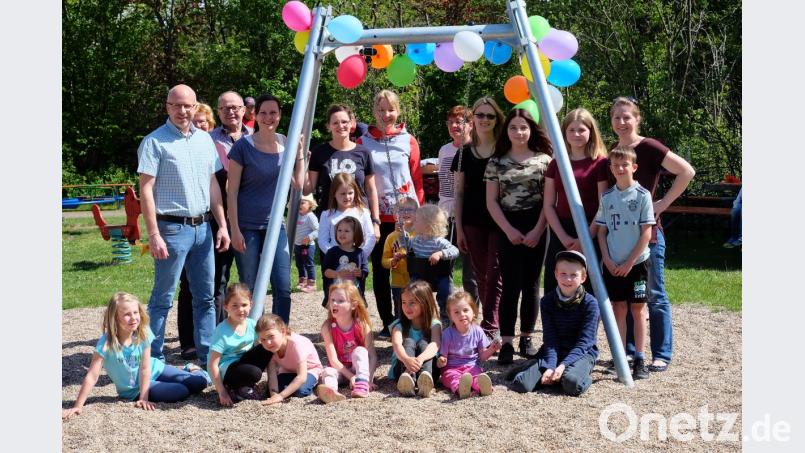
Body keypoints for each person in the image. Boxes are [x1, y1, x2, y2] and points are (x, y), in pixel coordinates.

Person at [138, 84, 230, 367]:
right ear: (167, 107)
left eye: (187, 105)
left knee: (206, 297)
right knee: (162, 298)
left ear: (195, 107)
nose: (182, 111)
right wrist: (153, 233)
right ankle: (152, 359)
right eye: (176, 105)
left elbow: (214, 185)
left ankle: (206, 357)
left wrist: (223, 225)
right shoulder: (154, 142)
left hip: (203, 228)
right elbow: (146, 190)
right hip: (171, 229)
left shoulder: (205, 140)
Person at [610, 96, 695, 372]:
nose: (622, 122)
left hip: (649, 236)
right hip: (620, 238)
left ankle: (662, 353)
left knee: (654, 295)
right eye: (617, 117)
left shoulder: (648, 147)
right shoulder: (614, 152)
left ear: (637, 119)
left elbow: (686, 171)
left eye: (627, 117)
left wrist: (662, 204)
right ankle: (633, 353)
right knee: (627, 298)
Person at [176, 93, 251, 360]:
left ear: (244, 110)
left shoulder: (255, 136)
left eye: (235, 107)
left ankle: (240, 335)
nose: (231, 112)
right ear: (218, 112)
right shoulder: (206, 140)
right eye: (225, 108)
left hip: (248, 219)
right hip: (211, 219)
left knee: (248, 280)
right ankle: (193, 341)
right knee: (206, 283)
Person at [62, 293, 208, 419]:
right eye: (126, 314)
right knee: (181, 391)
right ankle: (185, 376)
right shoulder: (106, 344)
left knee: (200, 382)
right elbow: (92, 376)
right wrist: (78, 406)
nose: (133, 318)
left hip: (154, 369)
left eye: (135, 312)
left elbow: (145, 368)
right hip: (135, 389)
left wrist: (145, 398)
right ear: (114, 318)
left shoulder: (143, 333)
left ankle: (191, 369)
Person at [227, 94, 305, 323]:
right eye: (263, 112)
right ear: (255, 115)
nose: (268, 117)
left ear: (280, 116)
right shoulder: (243, 146)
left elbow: (298, 183)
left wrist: (299, 154)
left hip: (275, 226)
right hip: (247, 227)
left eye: (273, 112)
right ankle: (251, 338)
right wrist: (234, 229)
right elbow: (231, 191)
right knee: (249, 288)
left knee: (282, 286)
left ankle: (279, 337)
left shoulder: (286, 143)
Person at [485, 108, 553, 364]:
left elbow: (550, 201)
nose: (518, 132)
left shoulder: (544, 160)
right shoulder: (496, 162)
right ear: (507, 131)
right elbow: (491, 202)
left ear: (531, 130)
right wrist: (508, 230)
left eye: (523, 127)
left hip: (537, 223)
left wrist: (537, 230)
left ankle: (526, 337)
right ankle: (506, 342)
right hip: (507, 226)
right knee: (510, 285)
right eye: (513, 127)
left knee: (532, 285)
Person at [358, 89, 425, 337]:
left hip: (406, 218)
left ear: (398, 111)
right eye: (381, 109)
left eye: (391, 109)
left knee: (407, 269)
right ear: (374, 112)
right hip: (377, 217)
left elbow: (416, 179)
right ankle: (388, 321)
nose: (386, 114)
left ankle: (409, 318)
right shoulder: (363, 142)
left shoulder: (408, 140)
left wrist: (420, 215)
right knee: (381, 269)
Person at [595, 146, 656, 380]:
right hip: (613, 263)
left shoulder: (642, 195)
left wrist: (630, 262)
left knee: (638, 309)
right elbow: (601, 232)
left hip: (637, 263)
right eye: (616, 165)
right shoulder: (607, 197)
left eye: (625, 165)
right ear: (611, 168)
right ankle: (620, 355)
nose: (620, 169)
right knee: (618, 308)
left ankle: (640, 357)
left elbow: (646, 234)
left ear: (634, 167)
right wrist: (607, 259)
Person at [508, 251, 600, 396]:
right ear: (556, 274)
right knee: (521, 384)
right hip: (556, 350)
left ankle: (574, 374)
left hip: (583, 353)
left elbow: (585, 342)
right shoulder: (547, 302)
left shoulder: (591, 304)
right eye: (563, 273)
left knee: (571, 384)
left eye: (573, 275)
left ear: (583, 278)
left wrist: (562, 366)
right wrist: (551, 367)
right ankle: (535, 368)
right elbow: (550, 340)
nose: (568, 279)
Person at [451, 97, 505, 338]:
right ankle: (492, 321)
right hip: (472, 221)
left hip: (501, 220)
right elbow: (458, 193)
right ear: (473, 120)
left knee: (495, 271)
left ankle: (492, 325)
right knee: (481, 272)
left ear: (497, 119)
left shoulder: (506, 150)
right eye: (480, 115)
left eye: (489, 116)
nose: (484, 120)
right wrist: (459, 227)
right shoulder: (463, 153)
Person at [542, 108, 609, 296]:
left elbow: (603, 205)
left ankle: (586, 325)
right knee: (553, 283)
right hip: (561, 230)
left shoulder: (600, 163)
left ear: (591, 132)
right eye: (571, 130)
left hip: (590, 229)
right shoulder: (555, 164)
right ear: (564, 133)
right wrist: (563, 236)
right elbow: (548, 204)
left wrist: (586, 239)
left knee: (586, 287)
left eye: (582, 130)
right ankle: (554, 325)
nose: (577, 134)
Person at [177, 101, 218, 360]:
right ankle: (189, 341)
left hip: (217, 217)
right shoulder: (190, 146)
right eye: (197, 121)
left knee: (214, 286)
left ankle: (212, 338)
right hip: (193, 218)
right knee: (188, 285)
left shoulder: (212, 144)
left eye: (204, 121)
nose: (200, 124)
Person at [305, 104, 380, 232]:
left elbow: (371, 189)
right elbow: (308, 189)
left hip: (359, 222)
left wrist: (375, 222)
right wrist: (301, 162)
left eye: (344, 122)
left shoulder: (363, 152)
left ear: (351, 124)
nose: (341, 126)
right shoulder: (319, 152)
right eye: (335, 123)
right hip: (330, 222)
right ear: (328, 126)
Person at [437, 105, 479, 303]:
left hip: (469, 215)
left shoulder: (476, 149)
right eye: (451, 122)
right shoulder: (444, 150)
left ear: (471, 125)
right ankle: (449, 309)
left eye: (460, 122)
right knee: (445, 267)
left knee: (471, 270)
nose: (454, 126)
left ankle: (473, 309)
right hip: (445, 216)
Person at [208, 284, 273, 406]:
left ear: (251, 305)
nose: (240, 309)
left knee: (268, 346)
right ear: (226, 307)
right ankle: (233, 388)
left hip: (242, 362)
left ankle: (245, 384)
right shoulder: (222, 331)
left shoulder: (252, 324)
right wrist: (221, 392)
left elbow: (261, 348)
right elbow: (212, 364)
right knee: (254, 373)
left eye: (244, 305)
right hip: (226, 369)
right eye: (235, 306)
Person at [317, 282, 377, 402]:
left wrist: (369, 379)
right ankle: (330, 392)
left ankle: (362, 384)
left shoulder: (362, 325)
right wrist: (351, 377)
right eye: (332, 299)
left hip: (358, 369)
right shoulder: (327, 327)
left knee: (360, 351)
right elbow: (333, 360)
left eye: (340, 301)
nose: (334, 303)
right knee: (328, 371)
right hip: (340, 370)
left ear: (353, 305)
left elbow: (372, 356)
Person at [436, 291, 500, 399]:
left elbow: (482, 356)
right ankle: (460, 388)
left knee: (477, 376)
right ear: (450, 316)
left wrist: (492, 349)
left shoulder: (477, 331)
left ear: (473, 312)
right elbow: (443, 357)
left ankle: (483, 387)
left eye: (465, 310)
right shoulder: (447, 334)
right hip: (452, 368)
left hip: (471, 366)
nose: (462, 314)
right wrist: (441, 361)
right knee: (449, 377)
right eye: (456, 312)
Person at [389, 280, 442, 398]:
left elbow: (435, 344)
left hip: (429, 368)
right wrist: (406, 359)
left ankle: (425, 380)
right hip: (403, 369)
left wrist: (420, 359)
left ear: (424, 303)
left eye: (412, 303)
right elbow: (397, 345)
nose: (407, 307)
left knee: (424, 343)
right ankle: (408, 381)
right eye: (404, 302)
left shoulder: (434, 325)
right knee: (408, 341)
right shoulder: (398, 325)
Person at [407, 204, 459, 322]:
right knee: (411, 290)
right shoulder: (415, 240)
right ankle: (418, 317)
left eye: (417, 220)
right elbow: (405, 248)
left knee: (446, 292)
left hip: (439, 275)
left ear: (428, 224)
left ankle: (446, 319)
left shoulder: (439, 241)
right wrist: (401, 251)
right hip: (420, 275)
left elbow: (455, 251)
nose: (414, 222)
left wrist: (440, 253)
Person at [258, 314, 323, 404]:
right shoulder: (271, 347)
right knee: (272, 391)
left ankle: (316, 385)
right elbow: (272, 373)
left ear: (283, 331)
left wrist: (280, 396)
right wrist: (274, 396)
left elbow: (301, 377)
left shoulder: (296, 345)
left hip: (309, 370)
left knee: (301, 391)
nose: (268, 343)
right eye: (263, 339)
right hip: (288, 370)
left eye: (271, 336)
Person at [318, 172, 376, 264]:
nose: (347, 197)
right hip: (334, 262)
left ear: (355, 192)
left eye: (350, 193)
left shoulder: (363, 212)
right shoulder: (326, 215)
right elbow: (322, 240)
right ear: (334, 193)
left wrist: (361, 255)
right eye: (342, 193)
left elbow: (371, 237)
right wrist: (334, 255)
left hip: (358, 262)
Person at [381, 196, 418, 317]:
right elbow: (384, 261)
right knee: (400, 311)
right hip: (398, 282)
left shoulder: (419, 234)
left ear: (417, 213)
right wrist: (393, 260)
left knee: (418, 309)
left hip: (417, 281)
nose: (405, 212)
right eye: (401, 210)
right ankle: (401, 332)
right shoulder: (391, 237)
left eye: (409, 209)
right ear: (395, 215)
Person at [322, 216, 369, 305]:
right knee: (336, 316)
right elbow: (325, 271)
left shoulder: (360, 253)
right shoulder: (332, 252)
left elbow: (365, 272)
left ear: (356, 234)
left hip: (355, 296)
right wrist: (338, 274)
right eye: (339, 230)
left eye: (346, 231)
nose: (342, 233)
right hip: (336, 296)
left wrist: (360, 273)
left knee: (355, 317)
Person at [293, 194, 319, 293]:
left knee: (308, 264)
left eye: (303, 203)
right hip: (298, 244)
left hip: (308, 246)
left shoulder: (310, 217)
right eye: (298, 203)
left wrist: (309, 237)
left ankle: (312, 283)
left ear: (310, 205)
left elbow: (318, 230)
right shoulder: (297, 216)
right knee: (299, 263)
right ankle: (302, 281)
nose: (300, 205)